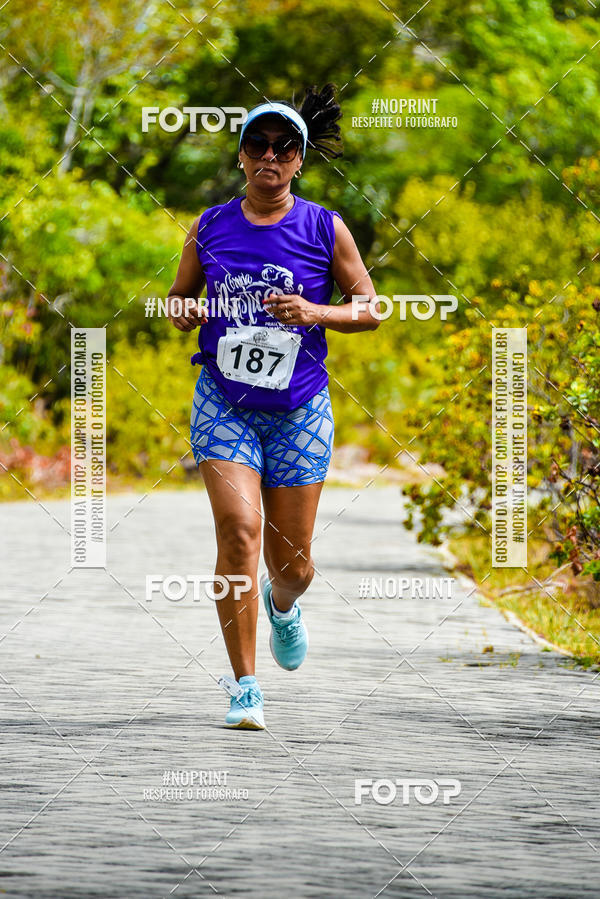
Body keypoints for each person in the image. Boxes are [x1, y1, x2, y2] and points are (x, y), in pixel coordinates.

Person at [166, 83, 379, 729]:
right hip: (224, 402)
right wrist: (187, 310)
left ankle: (282, 606)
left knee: (293, 564)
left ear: (299, 161)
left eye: (284, 147)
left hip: (300, 407)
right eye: (257, 144)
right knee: (239, 533)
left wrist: (316, 311)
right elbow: (177, 298)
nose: (270, 155)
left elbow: (370, 307)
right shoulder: (209, 225)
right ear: (240, 155)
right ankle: (244, 687)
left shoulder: (325, 226)